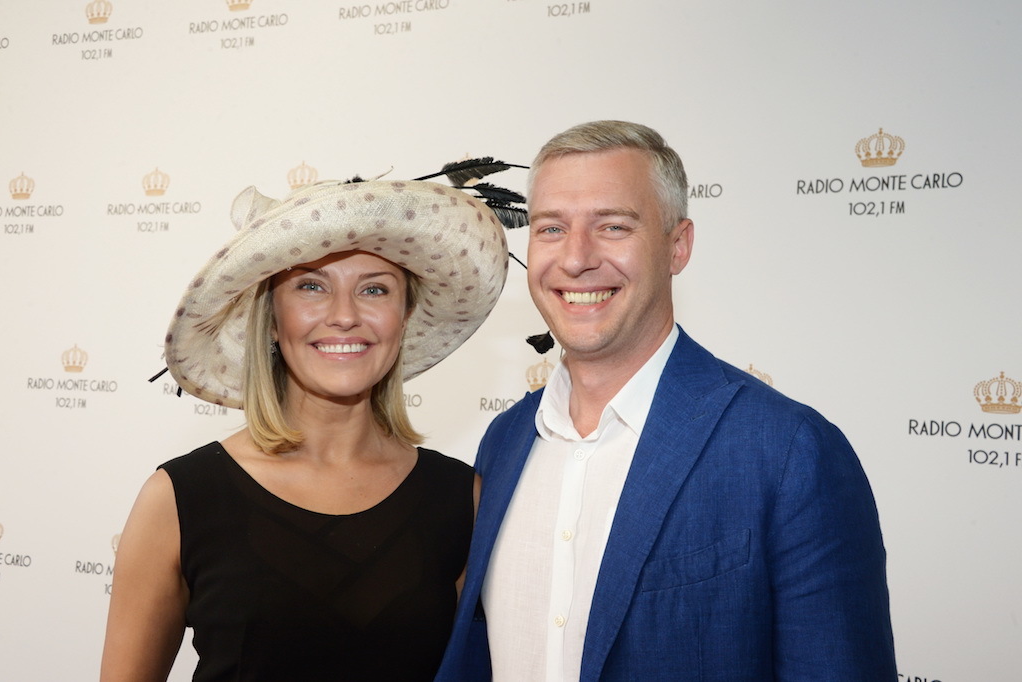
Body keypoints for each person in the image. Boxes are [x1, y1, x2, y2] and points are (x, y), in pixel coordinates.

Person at [436, 121, 897, 681]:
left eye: (613, 226)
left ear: (677, 247)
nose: (576, 258)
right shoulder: (504, 441)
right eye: (551, 228)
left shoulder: (788, 451)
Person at [100, 172, 512, 681]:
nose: (344, 316)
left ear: (403, 317)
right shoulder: (179, 498)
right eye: (311, 286)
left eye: (374, 289)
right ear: (272, 319)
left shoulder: (461, 498)